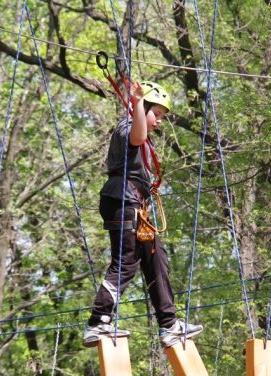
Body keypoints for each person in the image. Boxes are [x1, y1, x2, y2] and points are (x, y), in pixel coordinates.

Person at [83, 80, 203, 349]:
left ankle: (169, 324)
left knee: (156, 259)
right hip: (123, 201)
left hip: (134, 204)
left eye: (162, 116)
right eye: (156, 114)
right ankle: (98, 321)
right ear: (142, 108)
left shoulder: (140, 130)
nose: (159, 121)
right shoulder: (127, 126)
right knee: (126, 261)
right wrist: (138, 103)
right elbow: (136, 137)